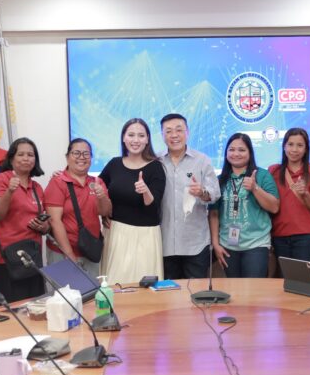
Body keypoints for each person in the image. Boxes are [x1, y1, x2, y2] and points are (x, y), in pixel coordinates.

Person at [99, 119, 166, 284]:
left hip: (145, 236)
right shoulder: (114, 164)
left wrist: (146, 191)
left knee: (142, 287)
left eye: (141, 135)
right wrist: (103, 214)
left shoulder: (156, 167)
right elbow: (96, 188)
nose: (136, 140)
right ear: (123, 137)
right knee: (114, 285)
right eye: (131, 135)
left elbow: (154, 205)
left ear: (147, 139)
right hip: (115, 234)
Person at [0, 138, 50, 303]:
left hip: (32, 258)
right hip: (6, 259)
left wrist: (44, 226)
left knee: (35, 307)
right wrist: (9, 191)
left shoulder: (37, 187)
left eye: (30, 155)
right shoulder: (0, 180)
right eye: (21, 154)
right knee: (10, 311)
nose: (26, 158)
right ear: (11, 159)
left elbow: (46, 224)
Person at [159, 113, 220, 279]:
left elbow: (215, 193)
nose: (174, 135)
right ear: (162, 135)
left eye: (179, 130)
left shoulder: (202, 160)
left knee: (196, 291)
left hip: (195, 243)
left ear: (187, 132)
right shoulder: (156, 161)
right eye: (168, 131)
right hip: (164, 242)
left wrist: (202, 192)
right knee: (169, 292)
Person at [210, 133, 279, 278]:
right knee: (233, 288)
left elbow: (274, 207)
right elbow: (214, 213)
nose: (236, 154)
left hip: (256, 244)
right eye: (231, 149)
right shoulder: (219, 180)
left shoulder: (262, 175)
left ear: (250, 153)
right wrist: (215, 244)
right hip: (227, 245)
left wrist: (255, 188)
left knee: (253, 289)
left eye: (241, 150)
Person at [45, 138, 111, 279]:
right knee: (64, 293)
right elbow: (54, 221)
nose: (82, 157)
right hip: (62, 253)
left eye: (86, 154)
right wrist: (70, 256)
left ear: (91, 158)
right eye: (76, 153)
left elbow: (105, 212)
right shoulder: (58, 182)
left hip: (90, 252)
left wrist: (102, 196)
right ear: (67, 157)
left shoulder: (97, 182)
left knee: (92, 293)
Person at [269, 128, 310, 263]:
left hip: (305, 236)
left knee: (302, 276)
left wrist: (306, 194)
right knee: (283, 276)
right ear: (284, 146)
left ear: (306, 149)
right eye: (290, 144)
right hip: (279, 235)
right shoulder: (273, 171)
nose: (294, 149)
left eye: (300, 145)